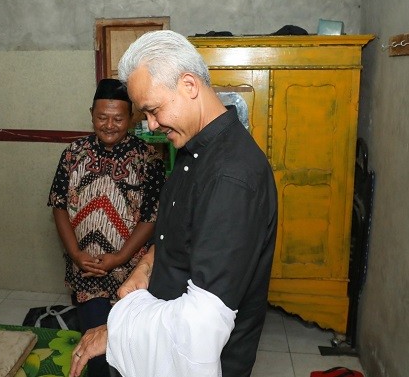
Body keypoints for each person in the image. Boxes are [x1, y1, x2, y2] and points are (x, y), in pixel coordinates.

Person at [69, 30, 278, 377]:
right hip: (163, 337)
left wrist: (117, 331)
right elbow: (181, 232)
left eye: (153, 110)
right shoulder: (192, 148)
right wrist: (147, 266)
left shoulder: (231, 177)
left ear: (189, 85)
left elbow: (200, 325)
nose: (150, 125)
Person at [48, 78, 165, 377]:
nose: (109, 125)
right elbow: (59, 205)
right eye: (102, 117)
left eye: (117, 118)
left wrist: (120, 258)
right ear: (91, 114)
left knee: (129, 349)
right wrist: (75, 253)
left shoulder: (149, 158)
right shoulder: (74, 154)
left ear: (132, 118)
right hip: (86, 270)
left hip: (131, 275)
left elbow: (151, 218)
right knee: (95, 352)